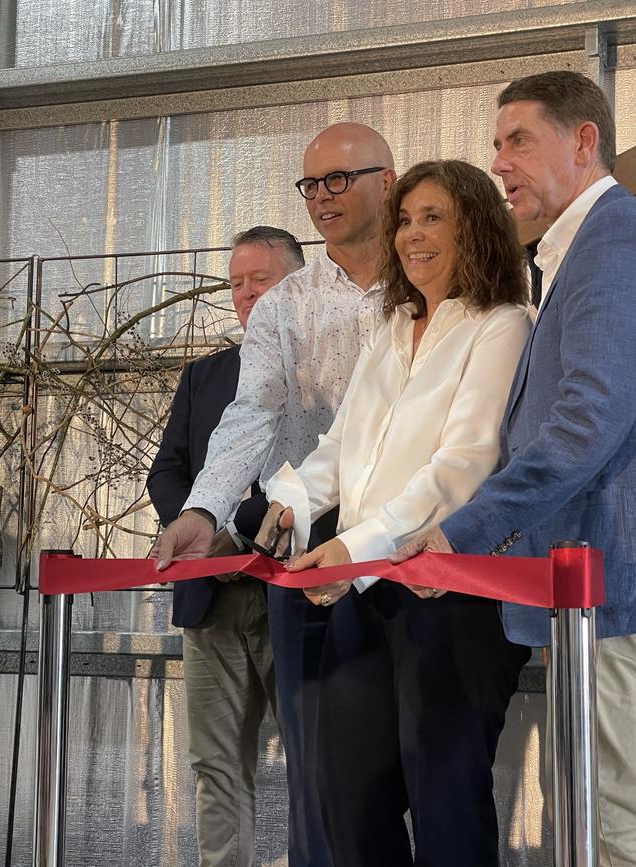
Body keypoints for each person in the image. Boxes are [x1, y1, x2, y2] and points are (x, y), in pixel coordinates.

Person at [258, 160, 533, 867]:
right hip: (369, 586)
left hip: (451, 595)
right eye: (405, 219)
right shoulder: (393, 329)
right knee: (343, 798)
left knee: (446, 803)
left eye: (432, 217)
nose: (411, 234)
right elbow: (342, 446)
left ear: (475, 225)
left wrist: (356, 547)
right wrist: (290, 501)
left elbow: (463, 464)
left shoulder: (504, 323)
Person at [392, 71, 636, 867]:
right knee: (591, 819)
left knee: (613, 825)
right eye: (496, 145)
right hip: (580, 596)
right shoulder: (569, 253)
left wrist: (463, 532)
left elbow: (587, 419)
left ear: (584, 141)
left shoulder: (613, 238)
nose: (500, 163)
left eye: (519, 140)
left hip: (611, 594)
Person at [151, 122, 397, 866]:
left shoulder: (429, 285)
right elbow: (248, 417)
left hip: (405, 543)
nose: (323, 197)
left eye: (340, 179)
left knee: (399, 768)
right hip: (301, 555)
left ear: (388, 179)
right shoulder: (288, 308)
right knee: (316, 775)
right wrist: (203, 511)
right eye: (311, 183)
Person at [147, 226, 304, 867]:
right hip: (208, 605)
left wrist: (235, 528)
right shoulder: (203, 376)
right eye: (236, 283)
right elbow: (168, 472)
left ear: (299, 285)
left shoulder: (328, 369)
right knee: (215, 769)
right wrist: (202, 535)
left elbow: (322, 471)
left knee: (317, 766)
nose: (244, 295)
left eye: (259, 280)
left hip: (293, 593)